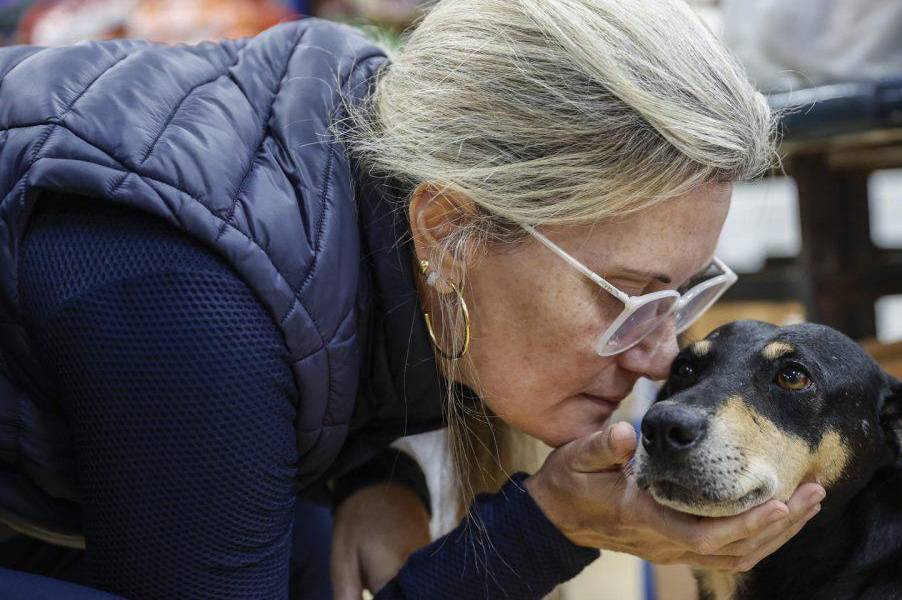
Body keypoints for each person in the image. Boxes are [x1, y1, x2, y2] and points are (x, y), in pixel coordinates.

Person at [0, 0, 826, 598]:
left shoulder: (376, 147)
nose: (655, 354)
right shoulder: (195, 311)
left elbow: (346, 301)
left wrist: (375, 470)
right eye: (626, 295)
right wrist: (553, 527)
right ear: (446, 226)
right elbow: (259, 328)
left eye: (681, 296)